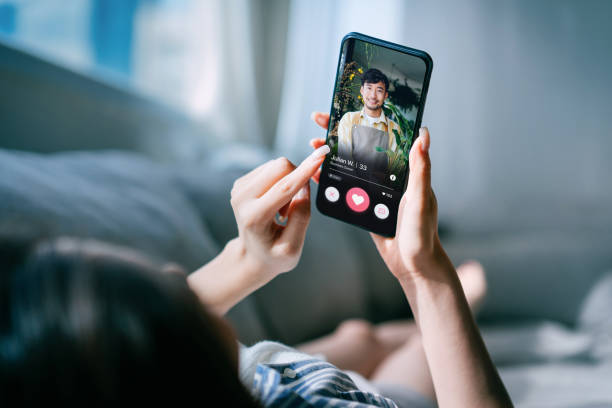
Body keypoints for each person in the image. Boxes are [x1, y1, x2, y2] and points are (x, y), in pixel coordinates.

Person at [0, 116, 513, 407]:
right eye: (170, 290)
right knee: (421, 348)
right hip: (357, 392)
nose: (176, 274)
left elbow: (144, 331)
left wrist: (250, 258)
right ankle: (465, 296)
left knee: (360, 335)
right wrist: (431, 281)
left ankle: (442, 304)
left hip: (282, 370)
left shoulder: (164, 377)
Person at [337, 68, 402, 184]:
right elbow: (344, 160)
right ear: (362, 90)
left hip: (378, 192)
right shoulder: (349, 119)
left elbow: (395, 169)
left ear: (386, 95)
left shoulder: (395, 129)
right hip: (347, 185)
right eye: (369, 88)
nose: (373, 95)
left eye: (379, 90)